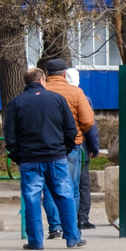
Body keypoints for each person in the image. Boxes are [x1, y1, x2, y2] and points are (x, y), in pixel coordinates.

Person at [3, 67, 81, 250]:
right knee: (64, 195)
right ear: (42, 80)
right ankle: (72, 237)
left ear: (27, 82)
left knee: (31, 199)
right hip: (56, 156)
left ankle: (35, 241)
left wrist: (17, 156)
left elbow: (10, 135)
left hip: (29, 159)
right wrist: (65, 149)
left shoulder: (16, 103)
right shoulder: (57, 99)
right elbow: (71, 130)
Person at [39, 58, 94, 238]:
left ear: (47, 74)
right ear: (64, 73)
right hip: (71, 145)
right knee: (71, 187)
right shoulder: (76, 92)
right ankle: (71, 227)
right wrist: (79, 132)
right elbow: (87, 121)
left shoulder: (41, 91)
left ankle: (55, 227)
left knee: (49, 188)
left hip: (45, 145)